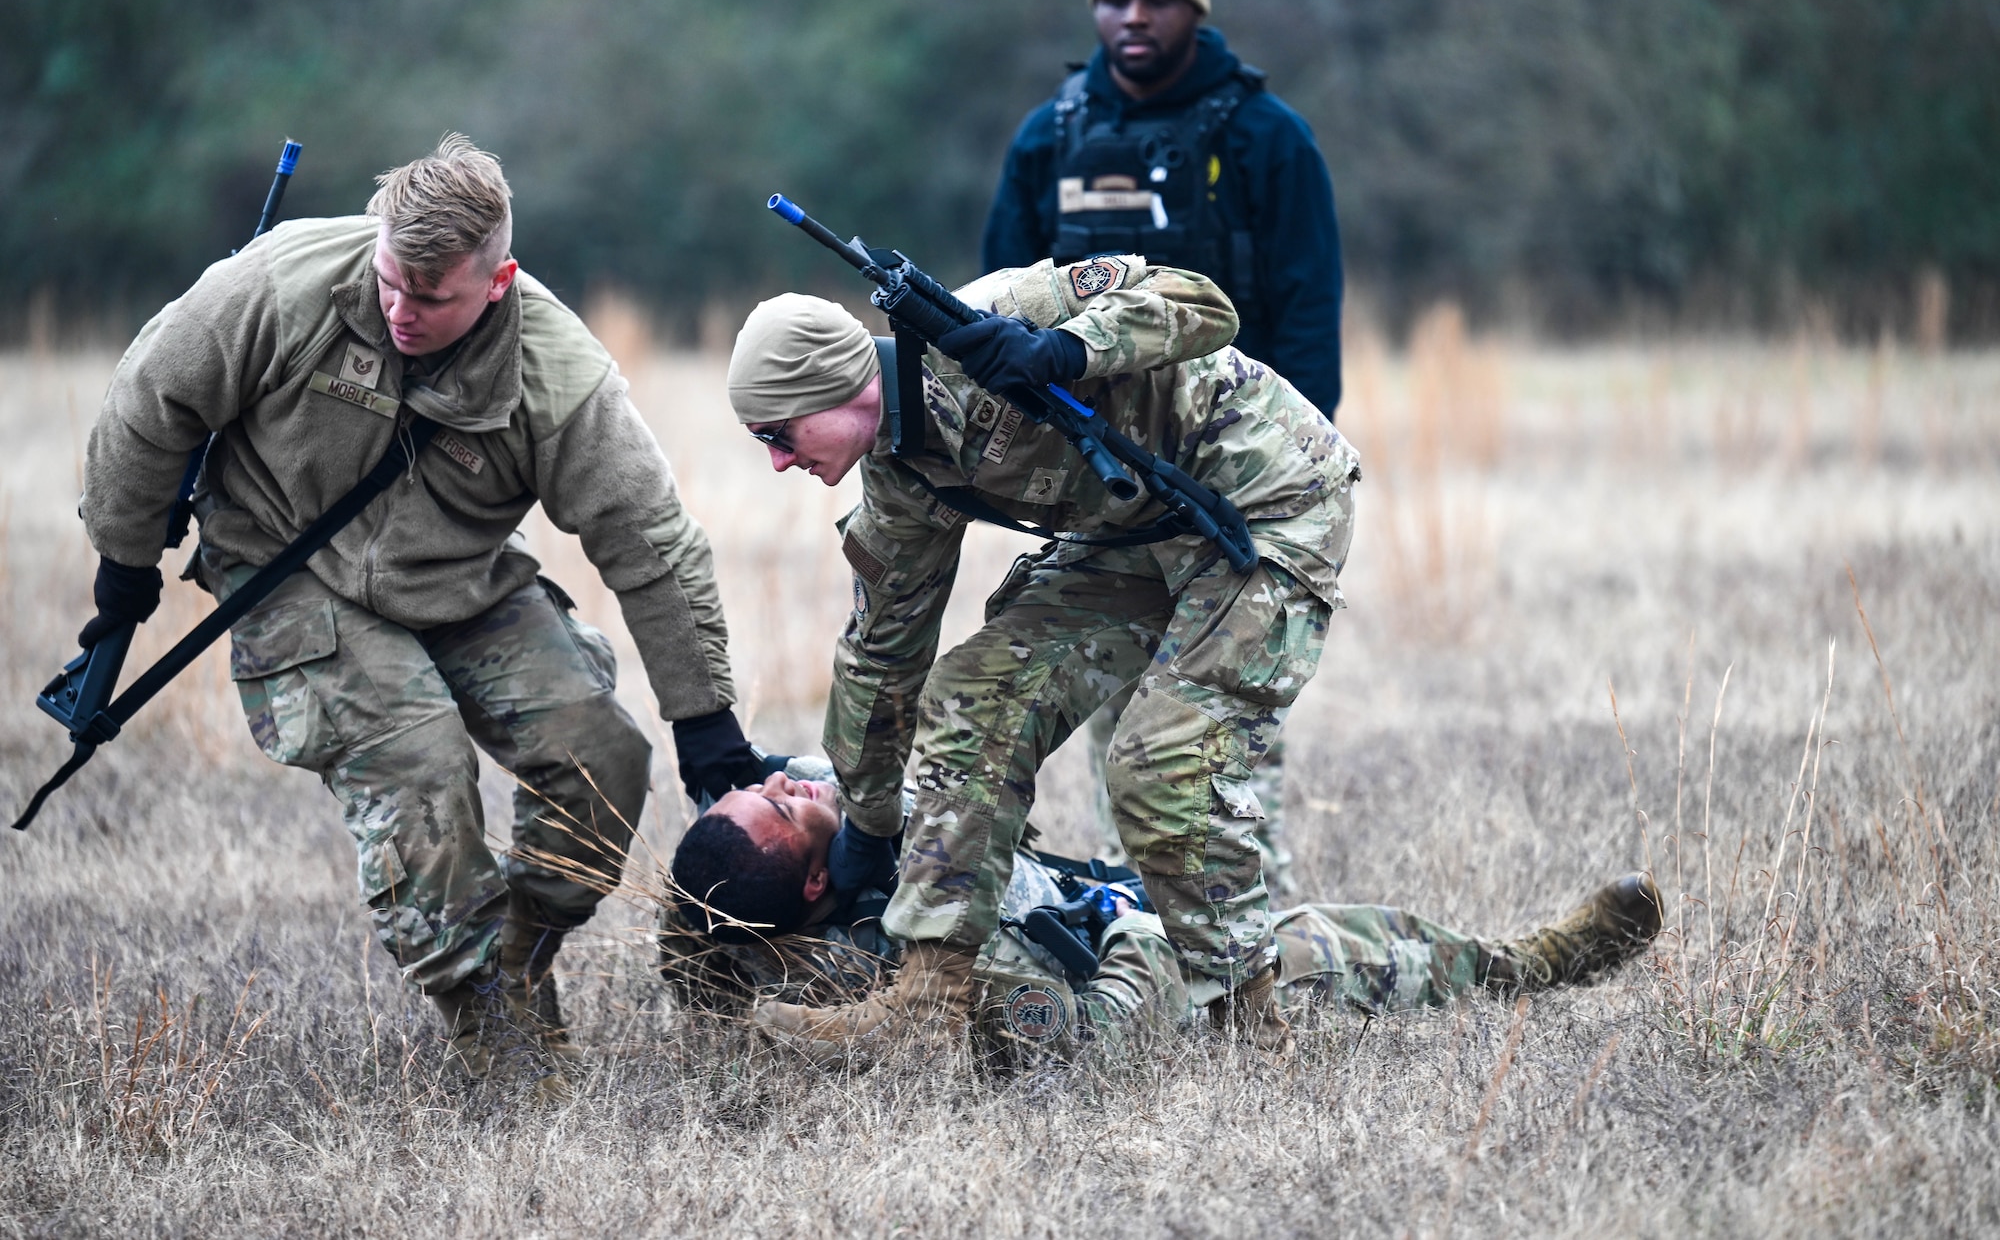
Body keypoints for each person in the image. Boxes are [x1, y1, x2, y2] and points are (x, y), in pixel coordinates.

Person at [78, 134, 771, 1095]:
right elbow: (150, 396)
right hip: (284, 564)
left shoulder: (558, 373)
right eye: (391, 281)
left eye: (432, 296)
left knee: (604, 756)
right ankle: (500, 1037)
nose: (401, 310)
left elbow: (650, 544)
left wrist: (707, 721)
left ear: (498, 281)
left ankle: (508, 964)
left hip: (458, 580)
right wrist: (123, 564)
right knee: (418, 760)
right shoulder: (284, 284)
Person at [725, 249, 1356, 1054]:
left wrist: (1068, 348)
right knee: (973, 692)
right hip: (1143, 532)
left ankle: (1254, 1026)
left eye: (779, 434)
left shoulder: (998, 317)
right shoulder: (900, 481)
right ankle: (926, 1006)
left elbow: (1203, 303)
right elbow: (880, 656)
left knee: (1158, 766)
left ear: (837, 390)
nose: (778, 460)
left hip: (1269, 500)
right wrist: (868, 825)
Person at [981, 0, 1347, 897]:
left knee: (1219, 727)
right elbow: (997, 311)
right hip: (1096, 484)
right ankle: (1142, 922)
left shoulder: (1267, 140)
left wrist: (1284, 469)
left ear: (1194, 6)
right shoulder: (1047, 138)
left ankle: (1247, 931)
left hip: (1231, 477)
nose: (1131, 17)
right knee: (1116, 723)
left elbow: (1308, 313)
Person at [659, 759, 1664, 1062]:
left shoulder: (798, 889)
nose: (796, 781)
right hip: (1168, 987)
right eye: (787, 805)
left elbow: (700, 923)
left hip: (1099, 900)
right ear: (808, 886)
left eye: (771, 783)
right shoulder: (923, 946)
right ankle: (1537, 964)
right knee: (1351, 943)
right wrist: (1135, 933)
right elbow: (1094, 1044)